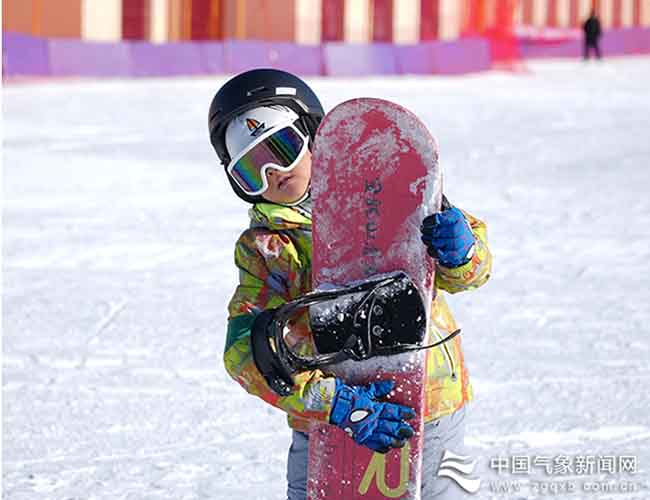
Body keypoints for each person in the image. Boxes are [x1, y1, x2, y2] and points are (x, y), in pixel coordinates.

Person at [209, 68, 492, 500]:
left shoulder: (390, 185)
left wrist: (463, 250)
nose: (274, 174)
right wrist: (331, 402)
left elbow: (468, 274)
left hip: (432, 405)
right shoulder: (268, 248)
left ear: (311, 134)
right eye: (253, 170)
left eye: (281, 149)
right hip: (331, 421)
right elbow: (242, 351)